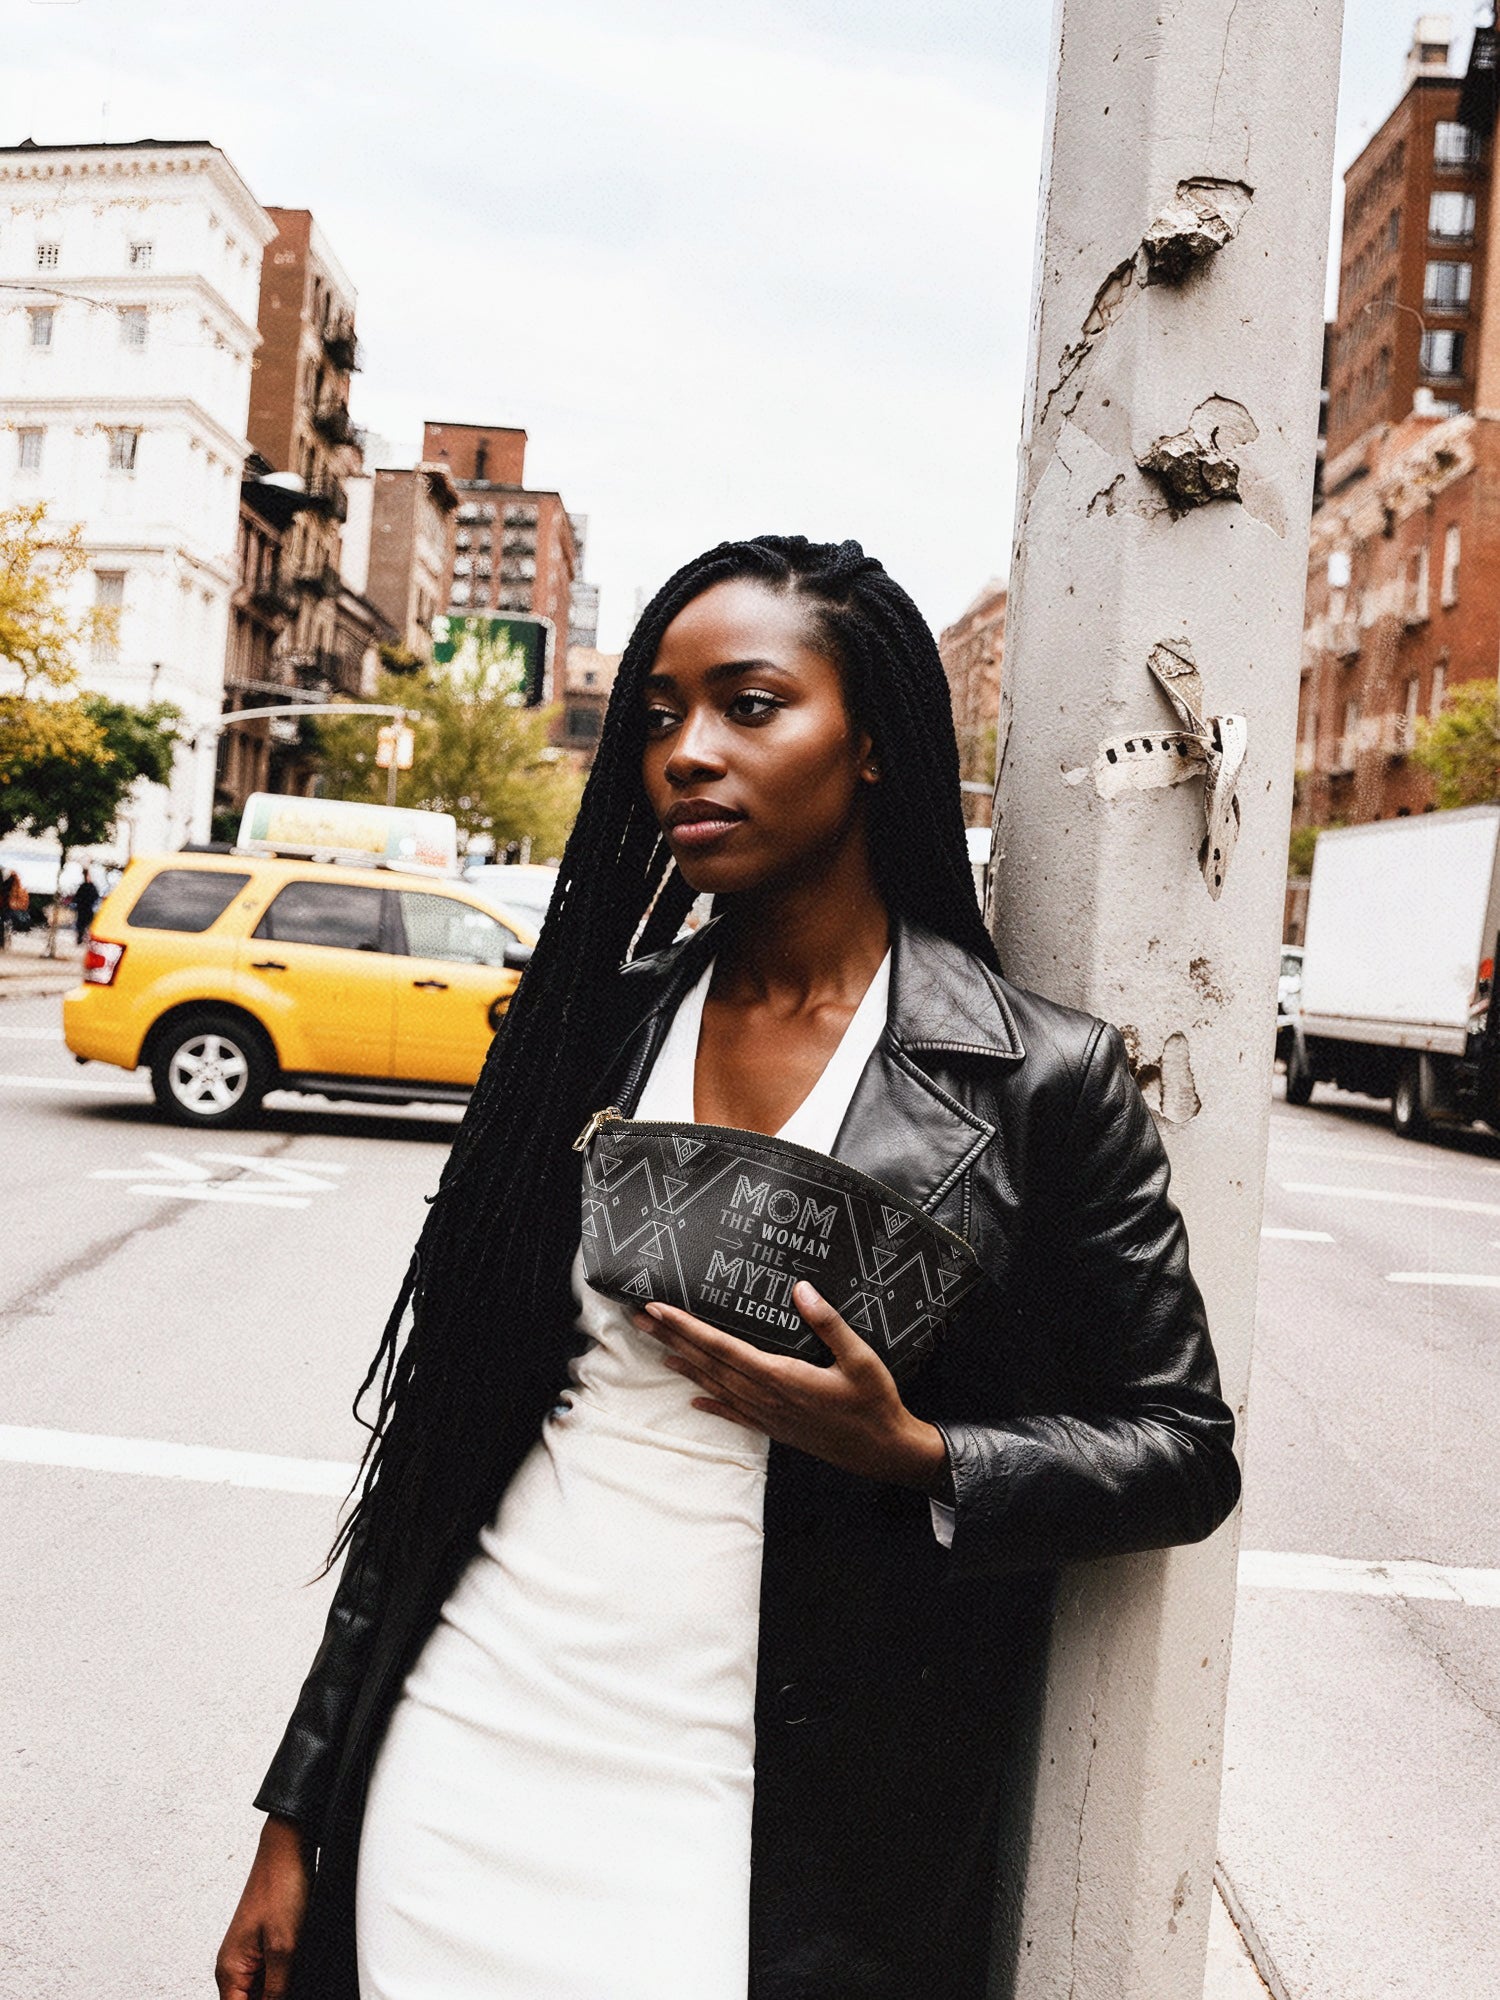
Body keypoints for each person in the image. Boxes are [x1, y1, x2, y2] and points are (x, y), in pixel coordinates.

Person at [216, 536, 1240, 2000]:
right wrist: (300, 1806)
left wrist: (918, 1453)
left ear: (873, 742)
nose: (687, 752)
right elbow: (436, 1442)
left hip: (767, 1812)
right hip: (474, 1729)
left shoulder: (1036, 1080)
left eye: (750, 705)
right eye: (657, 717)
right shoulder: (585, 1031)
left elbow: (1183, 1448)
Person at [73, 867, 100, 946]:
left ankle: (84, 938)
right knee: (83, 924)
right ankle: (82, 938)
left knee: (85, 924)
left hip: (85, 908)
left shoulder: (89, 887)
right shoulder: (86, 887)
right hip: (84, 908)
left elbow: (77, 898)